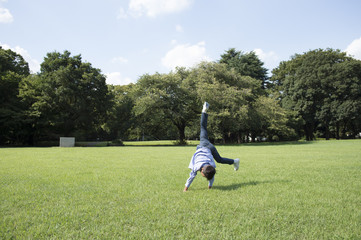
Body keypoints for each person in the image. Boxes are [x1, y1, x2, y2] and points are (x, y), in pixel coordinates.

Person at [183, 102, 240, 192]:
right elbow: (205, 176)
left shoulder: (204, 167)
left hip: (206, 146)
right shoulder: (210, 167)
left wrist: (186, 189)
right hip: (205, 145)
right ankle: (204, 111)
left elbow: (194, 177)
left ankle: (235, 161)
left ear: (202, 170)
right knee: (203, 128)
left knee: (220, 159)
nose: (205, 177)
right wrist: (186, 188)